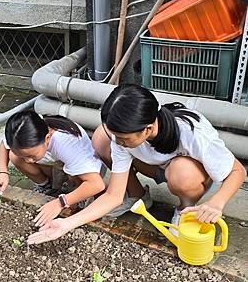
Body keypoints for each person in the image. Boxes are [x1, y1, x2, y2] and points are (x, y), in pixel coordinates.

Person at [28, 85, 246, 244]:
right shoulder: (123, 138)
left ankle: (184, 209)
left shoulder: (192, 133)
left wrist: (217, 203)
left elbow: (236, 171)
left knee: (182, 172)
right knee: (102, 139)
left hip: (188, 172)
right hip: (153, 165)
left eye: (123, 138)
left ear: (148, 128)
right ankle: (139, 196)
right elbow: (113, 195)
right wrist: (67, 224)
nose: (118, 141)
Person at [0, 110, 105, 227]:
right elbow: (4, 145)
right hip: (59, 161)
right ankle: (46, 186)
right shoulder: (21, 133)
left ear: (47, 138)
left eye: (31, 155)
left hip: (86, 170)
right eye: (26, 156)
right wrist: (2, 172)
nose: (28, 161)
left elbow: (97, 184)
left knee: (74, 182)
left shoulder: (66, 145)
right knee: (15, 157)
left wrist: (61, 202)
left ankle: (80, 196)